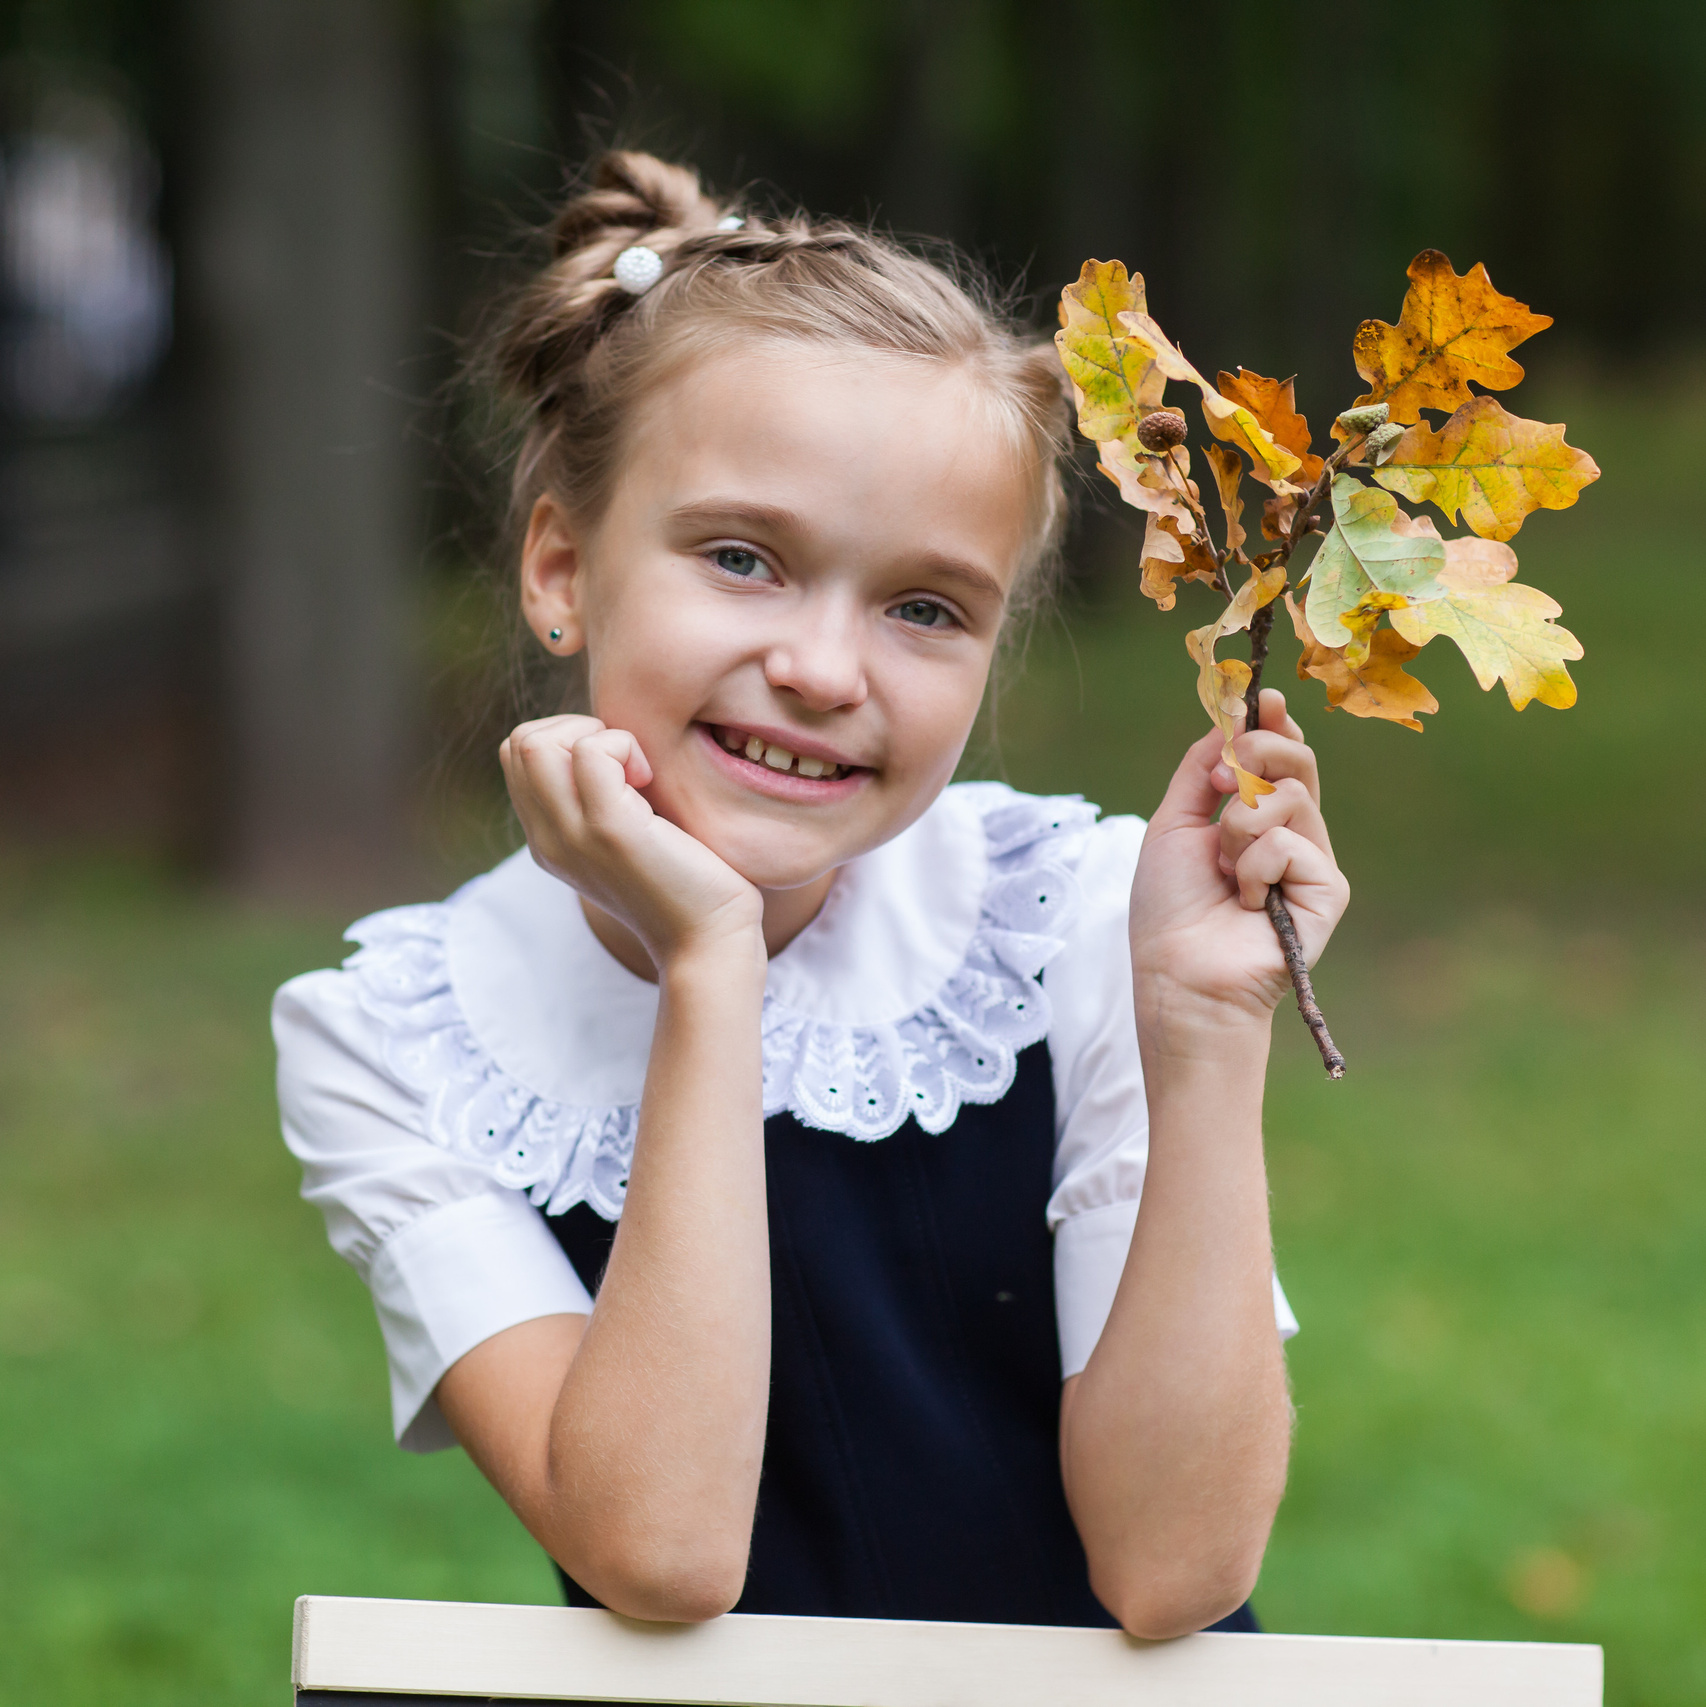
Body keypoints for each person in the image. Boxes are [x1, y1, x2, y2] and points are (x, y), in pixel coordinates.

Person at [273, 150, 1347, 1640]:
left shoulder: (1075, 922)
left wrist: (1204, 1030)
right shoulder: (396, 1034)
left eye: (923, 609)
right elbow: (660, 1553)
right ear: (561, 567)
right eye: (741, 559)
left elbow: (1171, 1572)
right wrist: (710, 964)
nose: (826, 672)